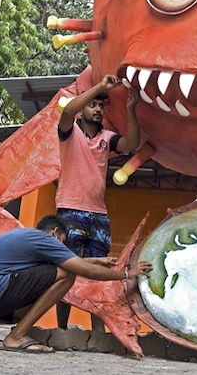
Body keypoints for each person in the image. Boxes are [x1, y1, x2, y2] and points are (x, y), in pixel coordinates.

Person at [0, 214, 151, 353]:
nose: (61, 247)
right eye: (62, 243)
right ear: (54, 233)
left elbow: (68, 262)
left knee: (25, 309)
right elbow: (81, 270)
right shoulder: (44, 240)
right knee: (67, 275)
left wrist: (96, 260)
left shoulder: (26, 237)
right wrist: (126, 274)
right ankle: (16, 336)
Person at [55, 74, 140, 330]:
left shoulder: (107, 138)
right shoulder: (69, 133)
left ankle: (98, 332)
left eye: (101, 106)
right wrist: (100, 87)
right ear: (82, 110)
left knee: (99, 274)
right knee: (65, 272)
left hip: (99, 215)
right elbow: (68, 110)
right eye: (93, 105)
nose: (98, 109)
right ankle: (61, 329)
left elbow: (131, 143)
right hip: (70, 210)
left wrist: (130, 109)